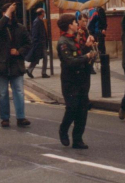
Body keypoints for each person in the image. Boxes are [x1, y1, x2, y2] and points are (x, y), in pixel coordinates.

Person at [57, 13, 95, 149]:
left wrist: (87, 46)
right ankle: (63, 129)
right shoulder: (63, 42)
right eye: (74, 22)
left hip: (82, 80)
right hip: (70, 82)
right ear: (69, 26)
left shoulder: (73, 39)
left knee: (82, 111)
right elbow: (70, 61)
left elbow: (79, 54)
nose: (76, 24)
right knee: (72, 109)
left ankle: (77, 139)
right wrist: (87, 56)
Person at [0, 3, 31, 128]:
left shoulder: (20, 28)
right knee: (2, 93)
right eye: (5, 12)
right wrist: (7, 13)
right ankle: (5, 118)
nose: (7, 15)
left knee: (19, 91)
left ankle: (21, 117)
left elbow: (29, 43)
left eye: (9, 12)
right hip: (1, 65)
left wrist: (19, 51)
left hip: (16, 65)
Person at [25, 8, 49, 78]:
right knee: (42, 57)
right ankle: (42, 73)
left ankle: (30, 70)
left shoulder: (40, 21)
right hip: (39, 43)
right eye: (43, 12)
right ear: (41, 13)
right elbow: (34, 33)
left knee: (39, 57)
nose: (44, 13)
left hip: (42, 42)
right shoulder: (37, 21)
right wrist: (36, 42)